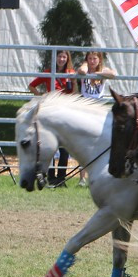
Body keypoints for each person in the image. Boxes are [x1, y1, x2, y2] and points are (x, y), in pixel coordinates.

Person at [29, 49, 76, 186]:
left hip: (65, 112)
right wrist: (42, 96)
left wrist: (72, 85)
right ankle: (51, 177)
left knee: (64, 148)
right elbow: (32, 86)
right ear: (55, 58)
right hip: (51, 112)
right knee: (50, 146)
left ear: (67, 59)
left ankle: (61, 179)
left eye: (64, 57)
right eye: (59, 56)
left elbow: (75, 92)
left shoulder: (70, 73)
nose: (61, 59)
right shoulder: (48, 72)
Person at [75, 50, 118, 185]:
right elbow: (81, 71)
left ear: (99, 60)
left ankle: (99, 175)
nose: (92, 61)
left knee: (99, 140)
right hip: (85, 105)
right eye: (90, 58)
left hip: (98, 106)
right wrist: (87, 68)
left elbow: (113, 74)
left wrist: (97, 74)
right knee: (84, 141)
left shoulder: (102, 70)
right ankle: (82, 178)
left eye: (95, 58)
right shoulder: (85, 67)